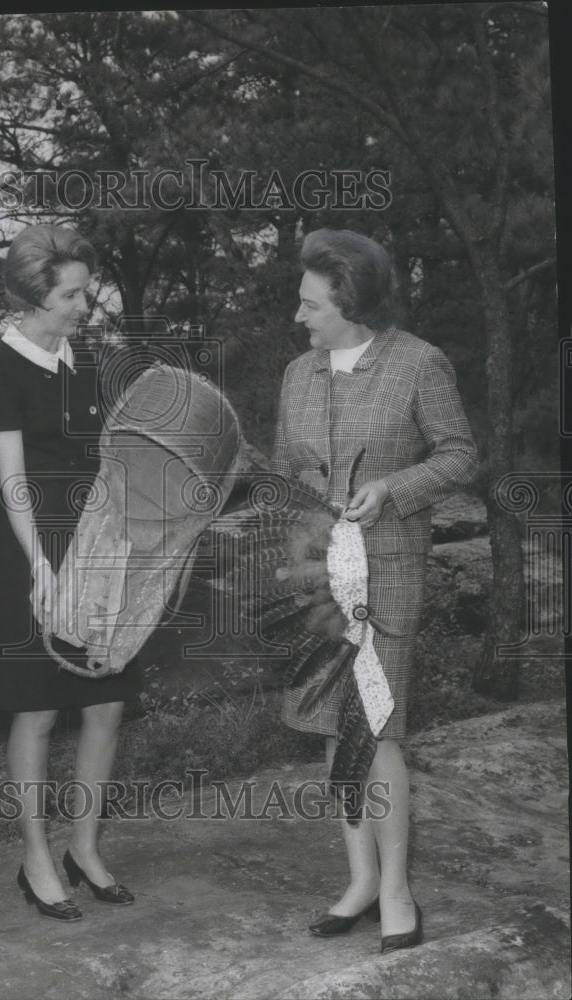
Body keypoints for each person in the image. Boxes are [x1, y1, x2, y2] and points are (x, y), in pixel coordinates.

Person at [271, 228, 478, 954]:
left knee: (376, 724)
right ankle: (358, 878)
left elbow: (458, 455)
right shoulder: (298, 374)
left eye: (311, 306)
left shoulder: (418, 364)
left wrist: (390, 487)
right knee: (333, 723)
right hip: (316, 571)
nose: (299, 317)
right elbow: (284, 469)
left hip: (388, 568)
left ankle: (396, 889)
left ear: (350, 302)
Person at [0, 224, 140, 920]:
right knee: (38, 709)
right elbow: (9, 482)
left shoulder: (88, 359)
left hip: (98, 544)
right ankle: (35, 856)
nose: (83, 305)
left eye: (84, 291)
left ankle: (85, 847)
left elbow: (112, 458)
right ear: (32, 295)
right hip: (33, 549)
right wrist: (41, 568)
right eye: (71, 294)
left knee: (105, 703)